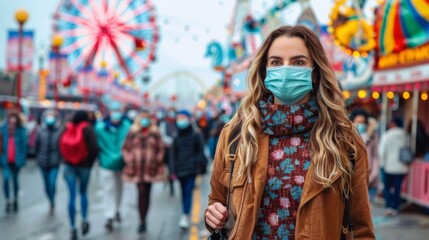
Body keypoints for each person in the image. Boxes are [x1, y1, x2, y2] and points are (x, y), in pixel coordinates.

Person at [204, 25, 375, 239]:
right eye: (276, 62)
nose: (286, 70)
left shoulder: (343, 138)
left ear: (314, 73)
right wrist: (212, 215)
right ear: (265, 71)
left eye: (298, 62)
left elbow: (361, 227)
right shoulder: (236, 134)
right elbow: (216, 202)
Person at [122, 111, 165, 233]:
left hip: (150, 169)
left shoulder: (155, 133)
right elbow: (125, 148)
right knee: (141, 192)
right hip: (136, 169)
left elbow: (161, 149)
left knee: (147, 193)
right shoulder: (133, 133)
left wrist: (157, 160)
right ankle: (141, 220)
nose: (144, 121)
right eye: (142, 119)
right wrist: (129, 159)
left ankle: (144, 218)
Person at [59, 110, 98, 240]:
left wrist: (65, 160)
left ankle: (72, 227)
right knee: (83, 193)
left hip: (69, 166)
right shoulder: (88, 129)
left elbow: (59, 144)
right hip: (85, 166)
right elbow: (93, 148)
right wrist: (90, 163)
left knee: (71, 196)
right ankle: (84, 219)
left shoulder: (67, 127)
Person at [95, 102, 131, 232]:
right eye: (114, 111)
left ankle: (116, 210)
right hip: (106, 164)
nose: (116, 114)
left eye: (118, 111)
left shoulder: (127, 127)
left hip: (121, 163)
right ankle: (109, 215)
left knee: (119, 189)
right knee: (108, 190)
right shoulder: (100, 128)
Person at [172, 110, 206, 229]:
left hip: (191, 169)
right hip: (180, 169)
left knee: (188, 192)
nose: (181, 120)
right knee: (183, 192)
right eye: (179, 118)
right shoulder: (176, 136)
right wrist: (172, 171)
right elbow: (173, 155)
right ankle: (185, 213)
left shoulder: (196, 134)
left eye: (183, 118)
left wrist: (198, 165)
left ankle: (185, 215)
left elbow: (200, 151)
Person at [379, 117, 409, 216]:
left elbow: (382, 151)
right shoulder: (406, 135)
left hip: (389, 166)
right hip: (402, 167)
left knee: (387, 187)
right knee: (397, 188)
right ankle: (396, 207)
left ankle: (389, 207)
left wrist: (382, 164)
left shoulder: (387, 135)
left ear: (394, 124)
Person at [35, 109, 63, 213]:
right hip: (42, 162)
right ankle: (50, 199)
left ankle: (52, 200)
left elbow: (61, 147)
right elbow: (37, 146)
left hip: (54, 162)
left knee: (52, 182)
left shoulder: (59, 131)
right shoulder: (40, 131)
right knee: (46, 184)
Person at [351, 109, 380, 203]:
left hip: (367, 171)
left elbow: (376, 155)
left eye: (363, 122)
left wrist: (375, 172)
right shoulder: (348, 134)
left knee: (364, 203)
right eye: (358, 122)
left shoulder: (372, 135)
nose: (360, 125)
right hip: (351, 172)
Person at [1, 112, 27, 213]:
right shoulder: (3, 129)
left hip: (16, 161)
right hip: (5, 161)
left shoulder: (21, 130)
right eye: (10, 117)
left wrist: (21, 160)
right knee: (6, 180)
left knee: (15, 181)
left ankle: (15, 199)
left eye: (14, 118)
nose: (12, 120)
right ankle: (8, 200)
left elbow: (24, 147)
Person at [159, 107, 178, 196]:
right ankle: (170, 184)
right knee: (169, 167)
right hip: (167, 150)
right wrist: (171, 141)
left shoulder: (178, 122)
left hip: (177, 150)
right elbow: (162, 136)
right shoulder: (164, 124)